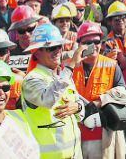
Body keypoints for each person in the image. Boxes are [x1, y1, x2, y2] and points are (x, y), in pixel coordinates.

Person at [22, 23, 84, 158]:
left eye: (59, 46)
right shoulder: (31, 80)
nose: (57, 51)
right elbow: (48, 99)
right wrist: (71, 65)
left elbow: (81, 110)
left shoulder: (63, 75)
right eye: (51, 48)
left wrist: (77, 107)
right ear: (37, 52)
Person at [73, 21, 126, 159]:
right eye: (87, 42)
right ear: (79, 44)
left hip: (102, 133)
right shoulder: (70, 66)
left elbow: (123, 93)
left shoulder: (111, 65)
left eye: (97, 41)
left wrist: (100, 101)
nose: (93, 46)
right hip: (76, 133)